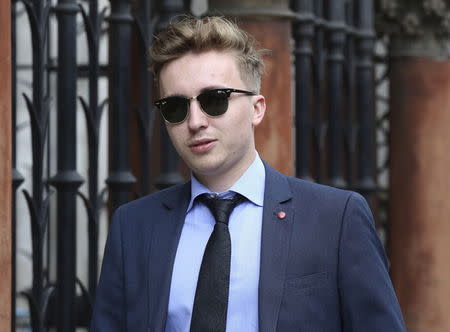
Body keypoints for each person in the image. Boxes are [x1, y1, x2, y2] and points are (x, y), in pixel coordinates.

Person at [91, 16, 406, 332]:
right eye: (175, 107)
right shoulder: (133, 226)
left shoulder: (336, 219)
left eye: (214, 100)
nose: (195, 121)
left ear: (257, 108)